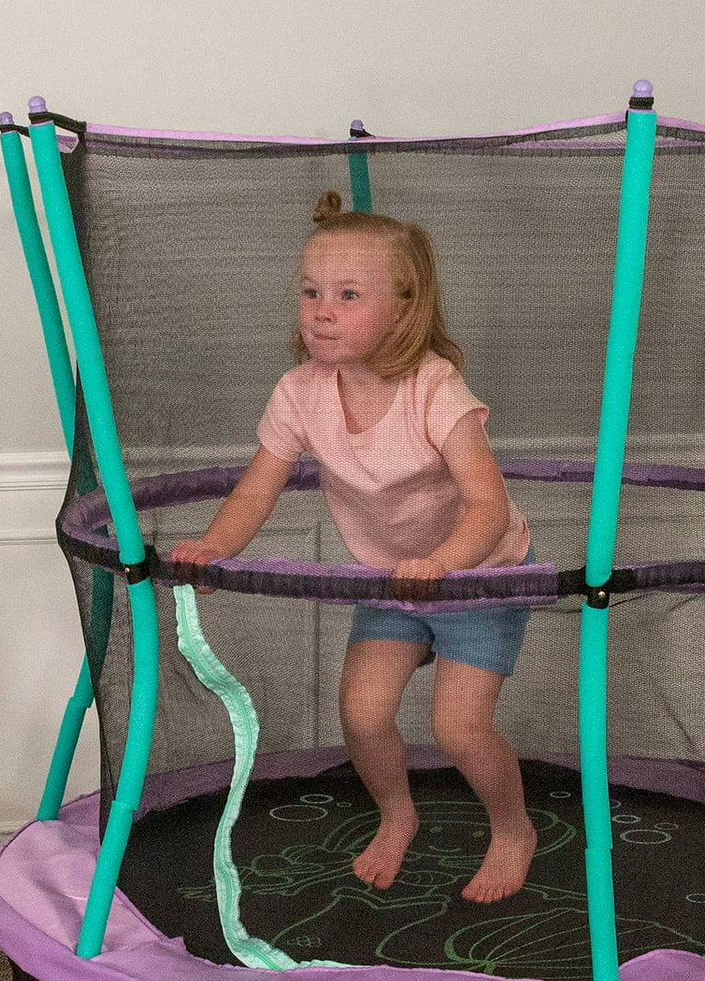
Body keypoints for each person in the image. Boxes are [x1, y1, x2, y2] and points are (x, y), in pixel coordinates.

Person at [169, 192, 537, 903]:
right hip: (391, 581)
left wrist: (441, 564)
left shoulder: (435, 388)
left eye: (347, 296)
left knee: (459, 729)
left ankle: (513, 828)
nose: (322, 311)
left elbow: (488, 509)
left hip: (478, 575)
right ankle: (398, 815)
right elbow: (256, 491)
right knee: (364, 714)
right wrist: (214, 546)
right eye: (310, 292)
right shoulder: (300, 392)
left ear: (403, 310)